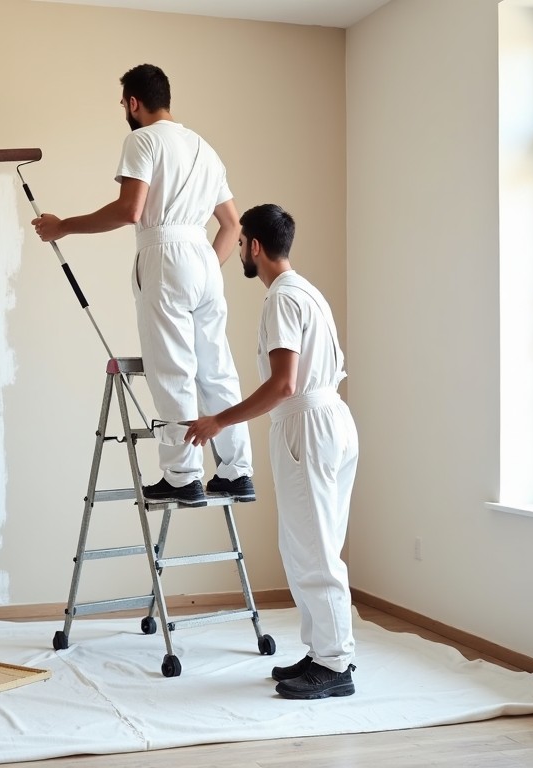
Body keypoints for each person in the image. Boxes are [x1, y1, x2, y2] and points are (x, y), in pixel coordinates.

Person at [32, 63, 254, 508]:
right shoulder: (205, 149)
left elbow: (130, 211)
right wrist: (204, 265)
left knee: (171, 365)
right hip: (205, 263)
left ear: (133, 102)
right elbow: (232, 223)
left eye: (123, 104)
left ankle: (182, 475)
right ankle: (236, 472)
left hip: (165, 253)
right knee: (215, 367)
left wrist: (64, 227)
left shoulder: (142, 139)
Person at [184, 204, 359, 700]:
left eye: (240, 242)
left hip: (306, 424)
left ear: (254, 246)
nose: (238, 250)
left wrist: (218, 420)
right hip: (332, 421)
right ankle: (321, 650)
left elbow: (283, 385)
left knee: (313, 547)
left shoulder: (281, 299)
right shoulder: (309, 292)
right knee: (312, 542)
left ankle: (334, 664)